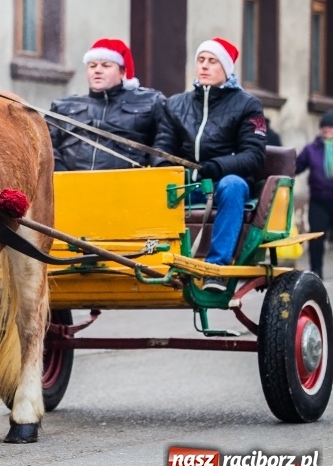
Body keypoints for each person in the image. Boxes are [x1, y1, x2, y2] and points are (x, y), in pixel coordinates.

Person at [151, 37, 267, 292]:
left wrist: (219, 166)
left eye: (212, 61)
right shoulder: (175, 104)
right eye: (201, 60)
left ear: (226, 69)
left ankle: (215, 270)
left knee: (233, 185)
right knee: (152, 184)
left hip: (226, 181)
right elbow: (161, 148)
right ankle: (154, 263)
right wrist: (163, 168)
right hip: (187, 183)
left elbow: (255, 155)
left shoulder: (248, 105)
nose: (204, 66)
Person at [47, 38, 165, 171]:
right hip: (71, 184)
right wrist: (58, 168)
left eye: (106, 65)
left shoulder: (151, 101)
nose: (97, 70)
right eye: (92, 66)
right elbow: (45, 143)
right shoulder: (63, 106)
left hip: (129, 185)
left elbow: (165, 142)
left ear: (122, 72)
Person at [296, 110, 333, 279]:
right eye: (324, 126)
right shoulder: (312, 149)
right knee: (316, 238)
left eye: (330, 126)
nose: (326, 129)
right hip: (319, 200)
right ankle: (316, 271)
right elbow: (297, 166)